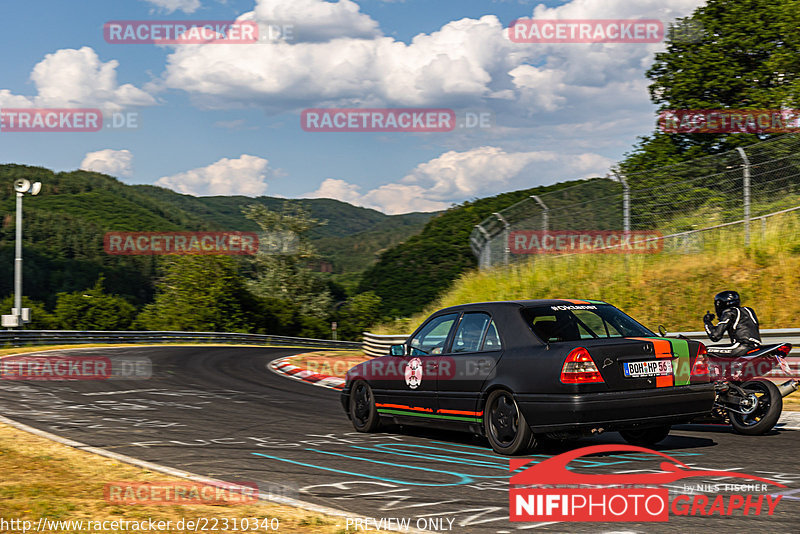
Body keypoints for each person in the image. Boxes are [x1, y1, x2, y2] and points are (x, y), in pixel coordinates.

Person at [703, 290, 761, 357]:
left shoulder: (729, 312)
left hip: (741, 347)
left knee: (704, 350)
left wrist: (707, 322)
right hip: (756, 347)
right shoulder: (749, 310)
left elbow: (715, 336)